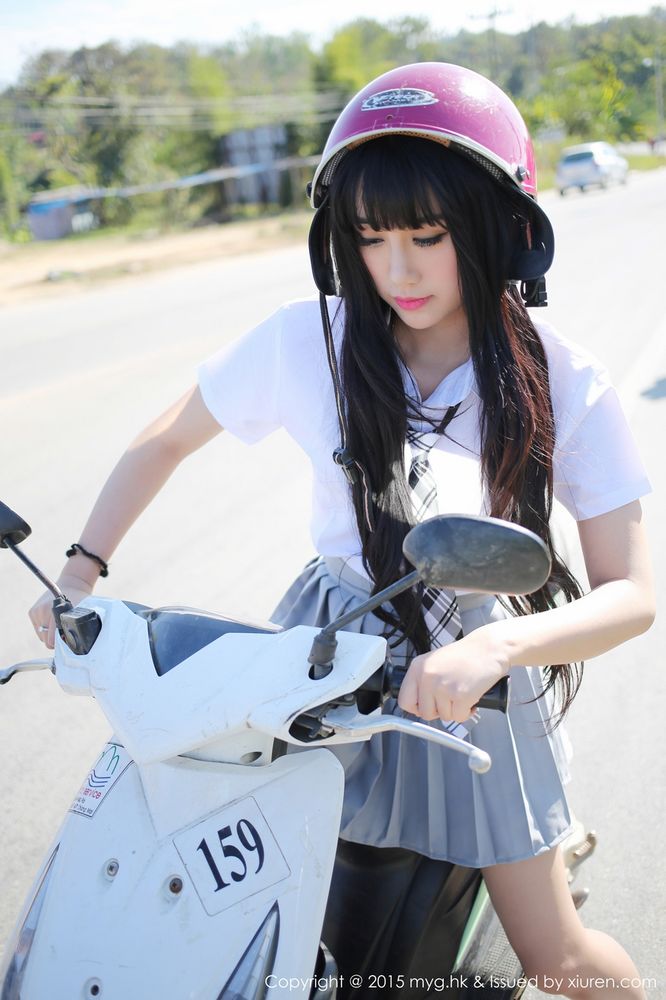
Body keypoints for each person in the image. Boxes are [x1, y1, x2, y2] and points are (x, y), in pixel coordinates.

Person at [30, 63, 654, 998]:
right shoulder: (305, 340)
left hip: (473, 676)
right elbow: (165, 439)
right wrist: (80, 572)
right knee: (240, 913)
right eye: (370, 237)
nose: (397, 270)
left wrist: (494, 650)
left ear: (501, 227)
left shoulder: (563, 378)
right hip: (327, 648)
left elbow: (633, 595)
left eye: (428, 236)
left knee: (557, 961)